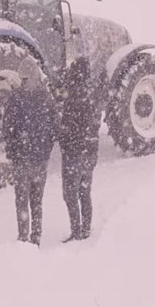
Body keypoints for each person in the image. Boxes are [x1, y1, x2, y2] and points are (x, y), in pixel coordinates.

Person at [2, 76, 58, 245]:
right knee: (37, 200)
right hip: (40, 160)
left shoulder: (15, 98)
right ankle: (36, 236)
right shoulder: (47, 98)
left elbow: (7, 128)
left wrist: (13, 150)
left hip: (21, 160)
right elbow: (55, 127)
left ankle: (23, 236)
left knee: (21, 200)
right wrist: (46, 148)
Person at [58, 58, 101, 242]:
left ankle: (76, 230)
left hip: (74, 153)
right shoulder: (92, 95)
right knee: (85, 191)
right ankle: (86, 228)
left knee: (70, 194)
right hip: (90, 152)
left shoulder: (73, 98)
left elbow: (67, 128)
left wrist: (62, 139)